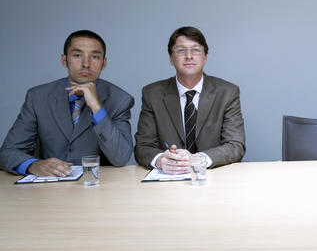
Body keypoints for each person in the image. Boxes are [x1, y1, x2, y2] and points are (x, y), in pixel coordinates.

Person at [0, 30, 134, 176]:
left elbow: (121, 157)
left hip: (96, 187)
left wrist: (97, 107)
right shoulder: (38, 97)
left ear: (104, 64)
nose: (86, 64)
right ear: (64, 61)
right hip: (47, 189)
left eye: (95, 57)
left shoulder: (120, 99)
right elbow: (8, 152)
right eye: (77, 55)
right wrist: (33, 165)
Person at [134, 26, 246, 174]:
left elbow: (235, 145)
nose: (189, 56)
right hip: (169, 181)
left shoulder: (227, 92)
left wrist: (198, 159)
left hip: (215, 178)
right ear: (171, 59)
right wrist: (161, 160)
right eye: (181, 50)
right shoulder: (152, 94)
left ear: (205, 57)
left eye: (195, 50)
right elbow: (143, 146)